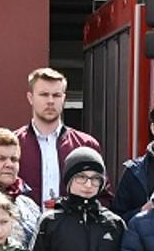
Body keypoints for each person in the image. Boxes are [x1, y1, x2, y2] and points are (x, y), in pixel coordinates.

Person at [14, 67, 102, 207]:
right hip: (24, 227)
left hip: (73, 227)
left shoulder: (85, 145)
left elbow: (103, 195)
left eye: (56, 95)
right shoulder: (13, 144)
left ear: (64, 98)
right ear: (30, 98)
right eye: (44, 94)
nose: (50, 101)